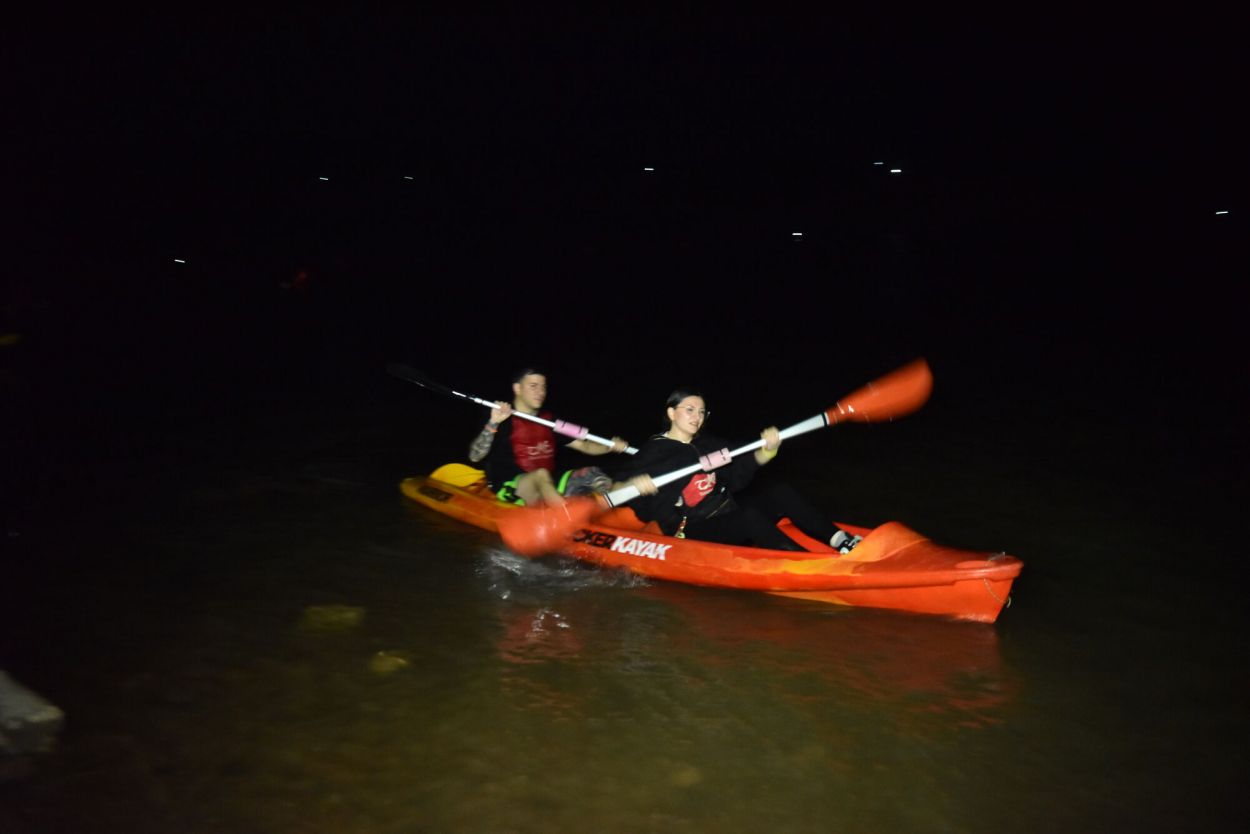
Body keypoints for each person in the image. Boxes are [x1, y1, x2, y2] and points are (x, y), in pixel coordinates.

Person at [614, 388, 862, 553]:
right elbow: (617, 488)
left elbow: (737, 474)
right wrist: (635, 486)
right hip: (691, 530)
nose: (697, 417)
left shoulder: (707, 444)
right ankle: (808, 563)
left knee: (780, 492)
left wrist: (767, 450)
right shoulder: (654, 450)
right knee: (750, 517)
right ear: (671, 413)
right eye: (689, 410)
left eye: (701, 412)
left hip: (727, 515)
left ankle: (841, 540)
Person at [468, 367, 631, 506]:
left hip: (548, 483)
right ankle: (565, 518)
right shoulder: (498, 416)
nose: (541, 392)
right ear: (517, 389)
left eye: (543, 387)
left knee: (593, 474)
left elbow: (584, 445)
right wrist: (493, 423)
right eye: (533, 386)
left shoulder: (551, 421)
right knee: (541, 475)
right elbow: (475, 457)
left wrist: (610, 446)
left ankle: (612, 513)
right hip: (510, 486)